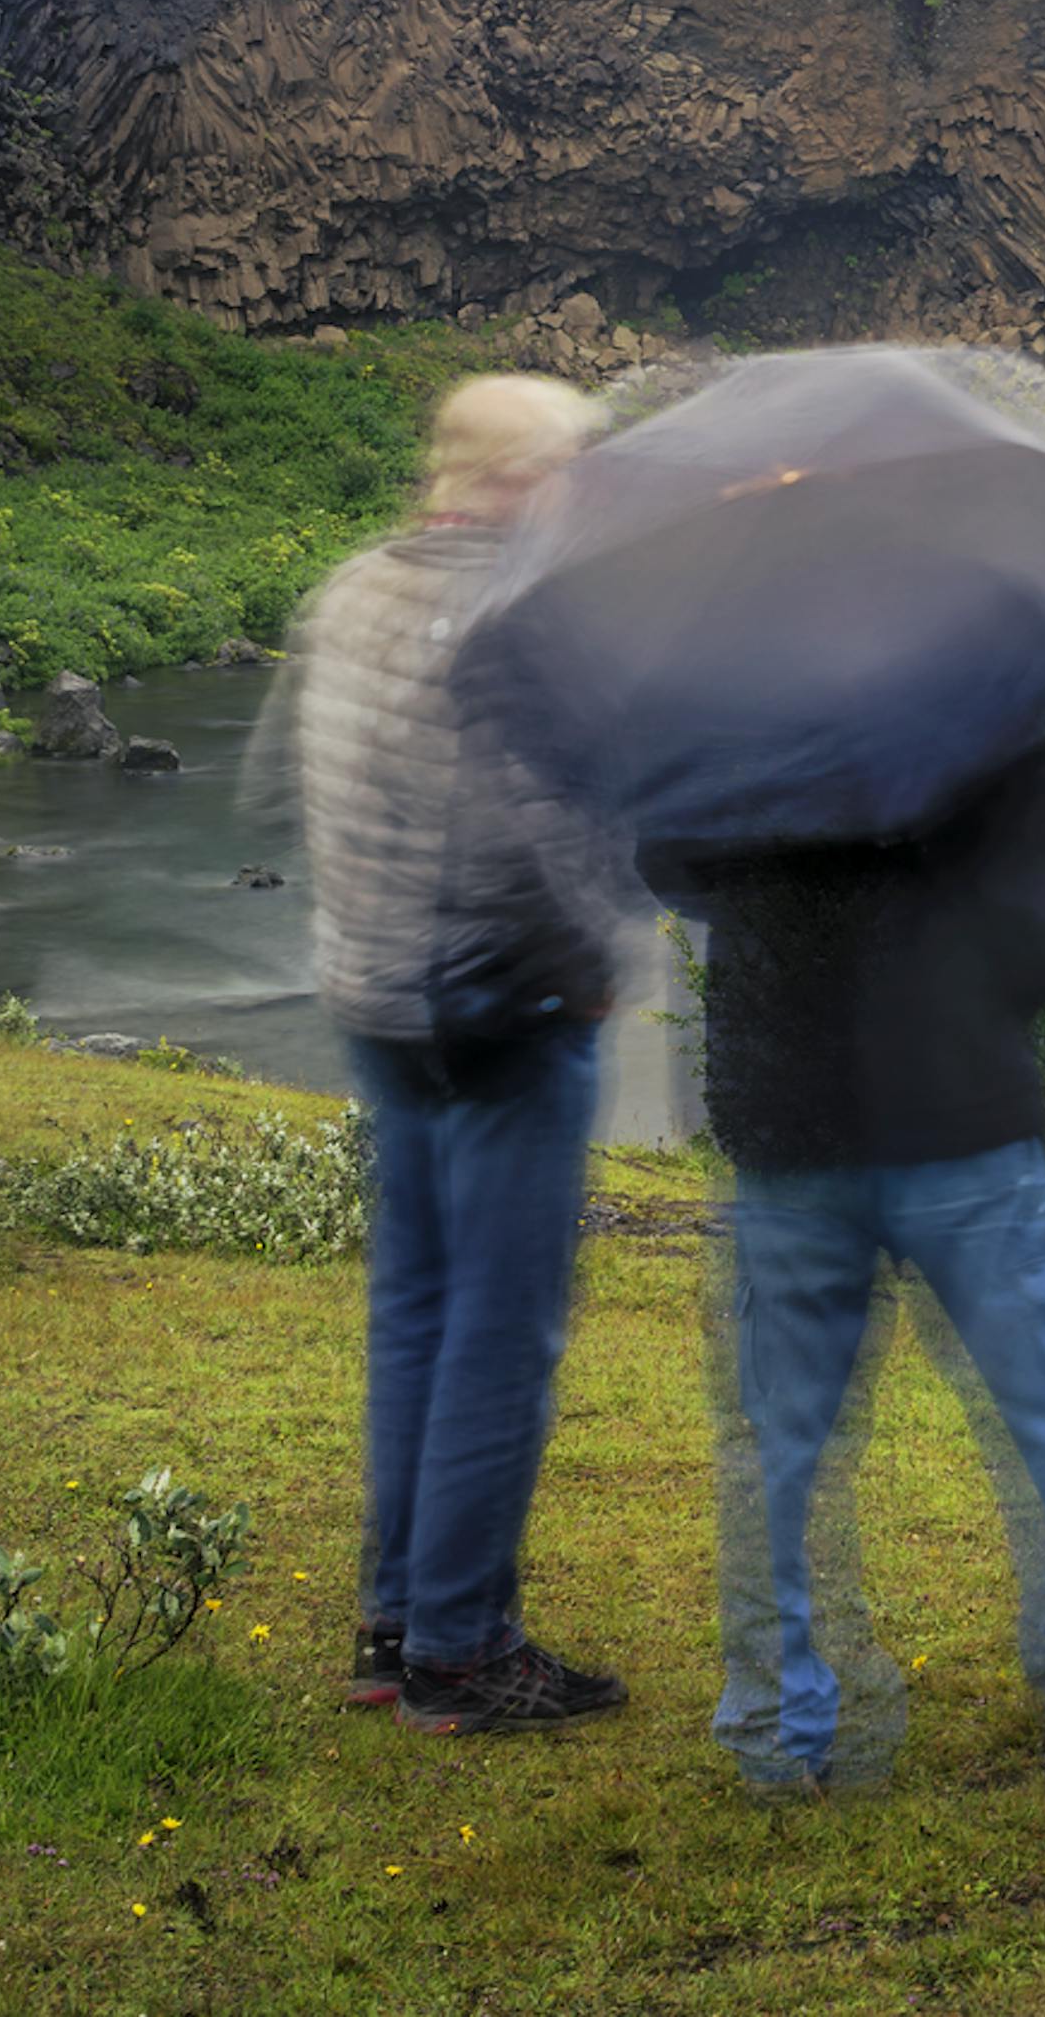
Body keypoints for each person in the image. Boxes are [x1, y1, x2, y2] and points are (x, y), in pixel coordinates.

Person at [675, 734, 1045, 1801]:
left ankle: (783, 1744)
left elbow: (667, 855)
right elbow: (1043, 933)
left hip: (781, 1106)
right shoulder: (965, 675)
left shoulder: (739, 681)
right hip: (949, 1105)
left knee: (778, 1448)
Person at [273, 373, 627, 1737]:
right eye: (575, 467)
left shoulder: (353, 587)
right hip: (499, 1012)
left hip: (378, 1001)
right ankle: (464, 1651)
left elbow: (314, 783)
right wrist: (589, 964)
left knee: (415, 1309)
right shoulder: (519, 612)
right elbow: (529, 830)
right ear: (524, 477)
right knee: (501, 1328)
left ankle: (394, 1617)